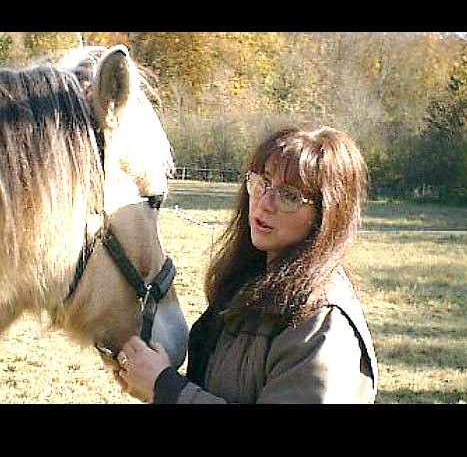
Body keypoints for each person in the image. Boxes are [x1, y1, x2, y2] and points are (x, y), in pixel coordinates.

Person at [114, 124, 378, 403]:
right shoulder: (253, 283)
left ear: (327, 214)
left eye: (289, 195)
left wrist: (165, 388)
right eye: (262, 182)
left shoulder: (321, 322)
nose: (264, 202)